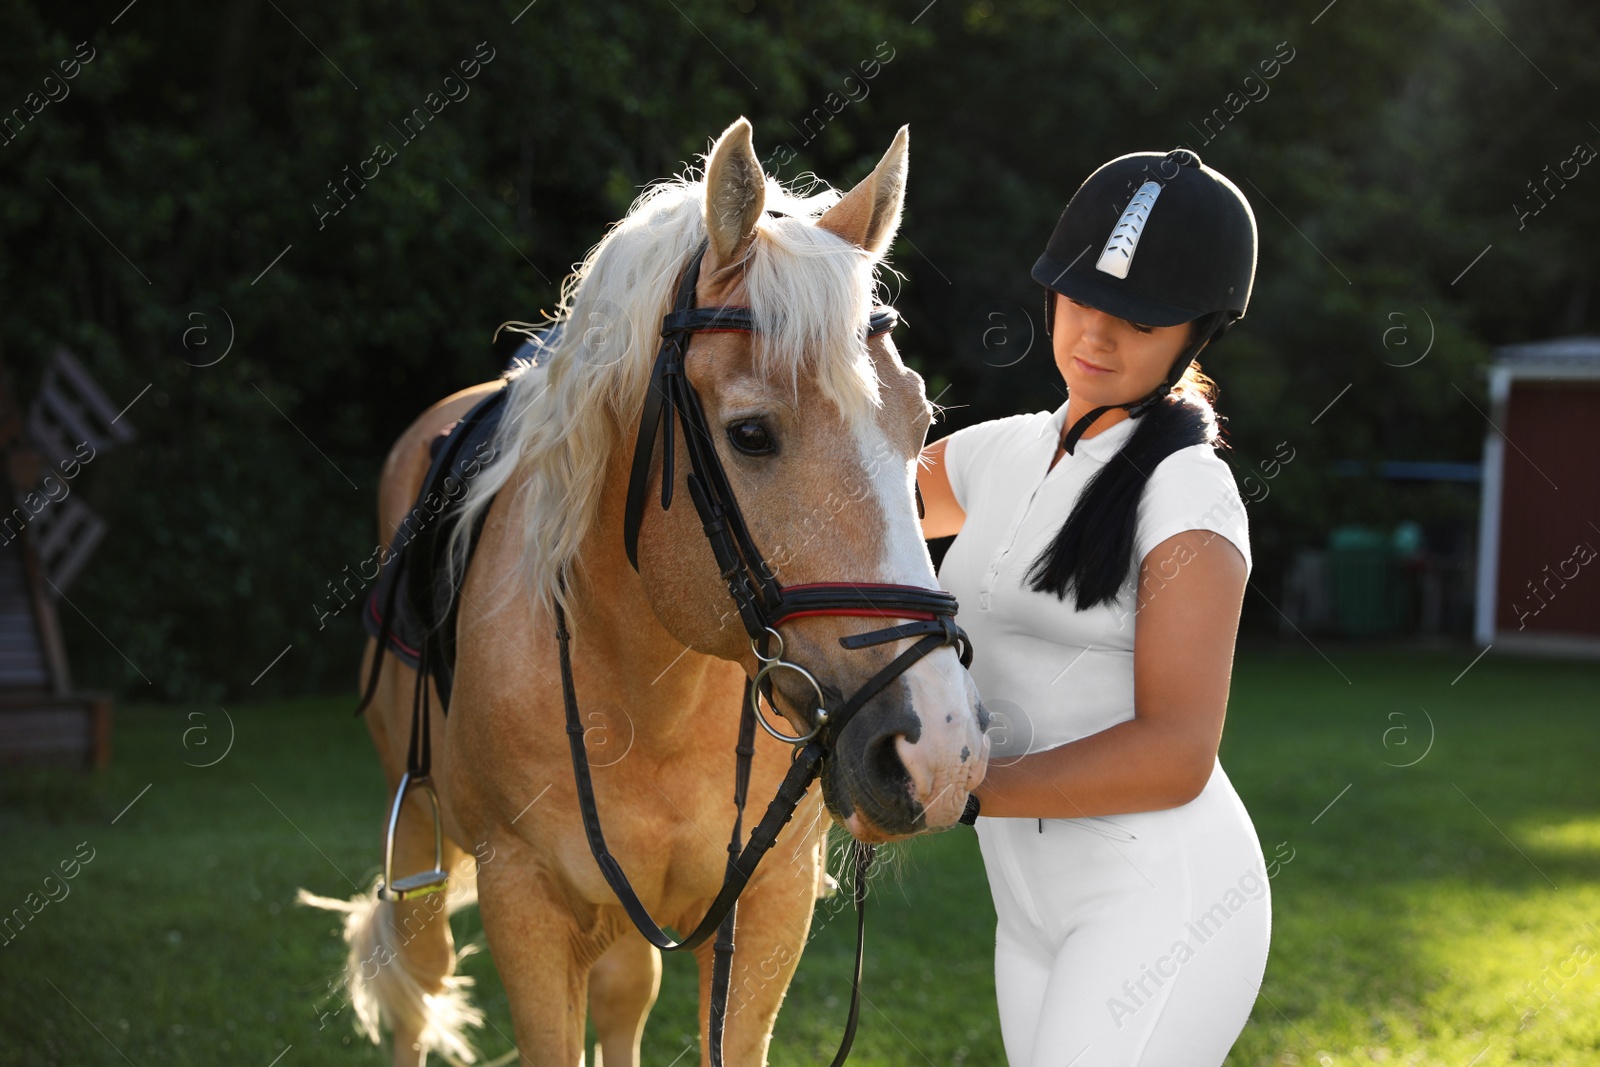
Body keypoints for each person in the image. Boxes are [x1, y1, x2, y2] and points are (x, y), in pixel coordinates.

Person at [918, 148, 1271, 1067]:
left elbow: (1178, 752)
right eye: (1080, 301)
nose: (1097, 337)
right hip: (1030, 908)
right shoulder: (1005, 451)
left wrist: (960, 795)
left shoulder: (1190, 493)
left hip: (1162, 898)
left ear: (1197, 332)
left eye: (1138, 319)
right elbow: (837, 505)